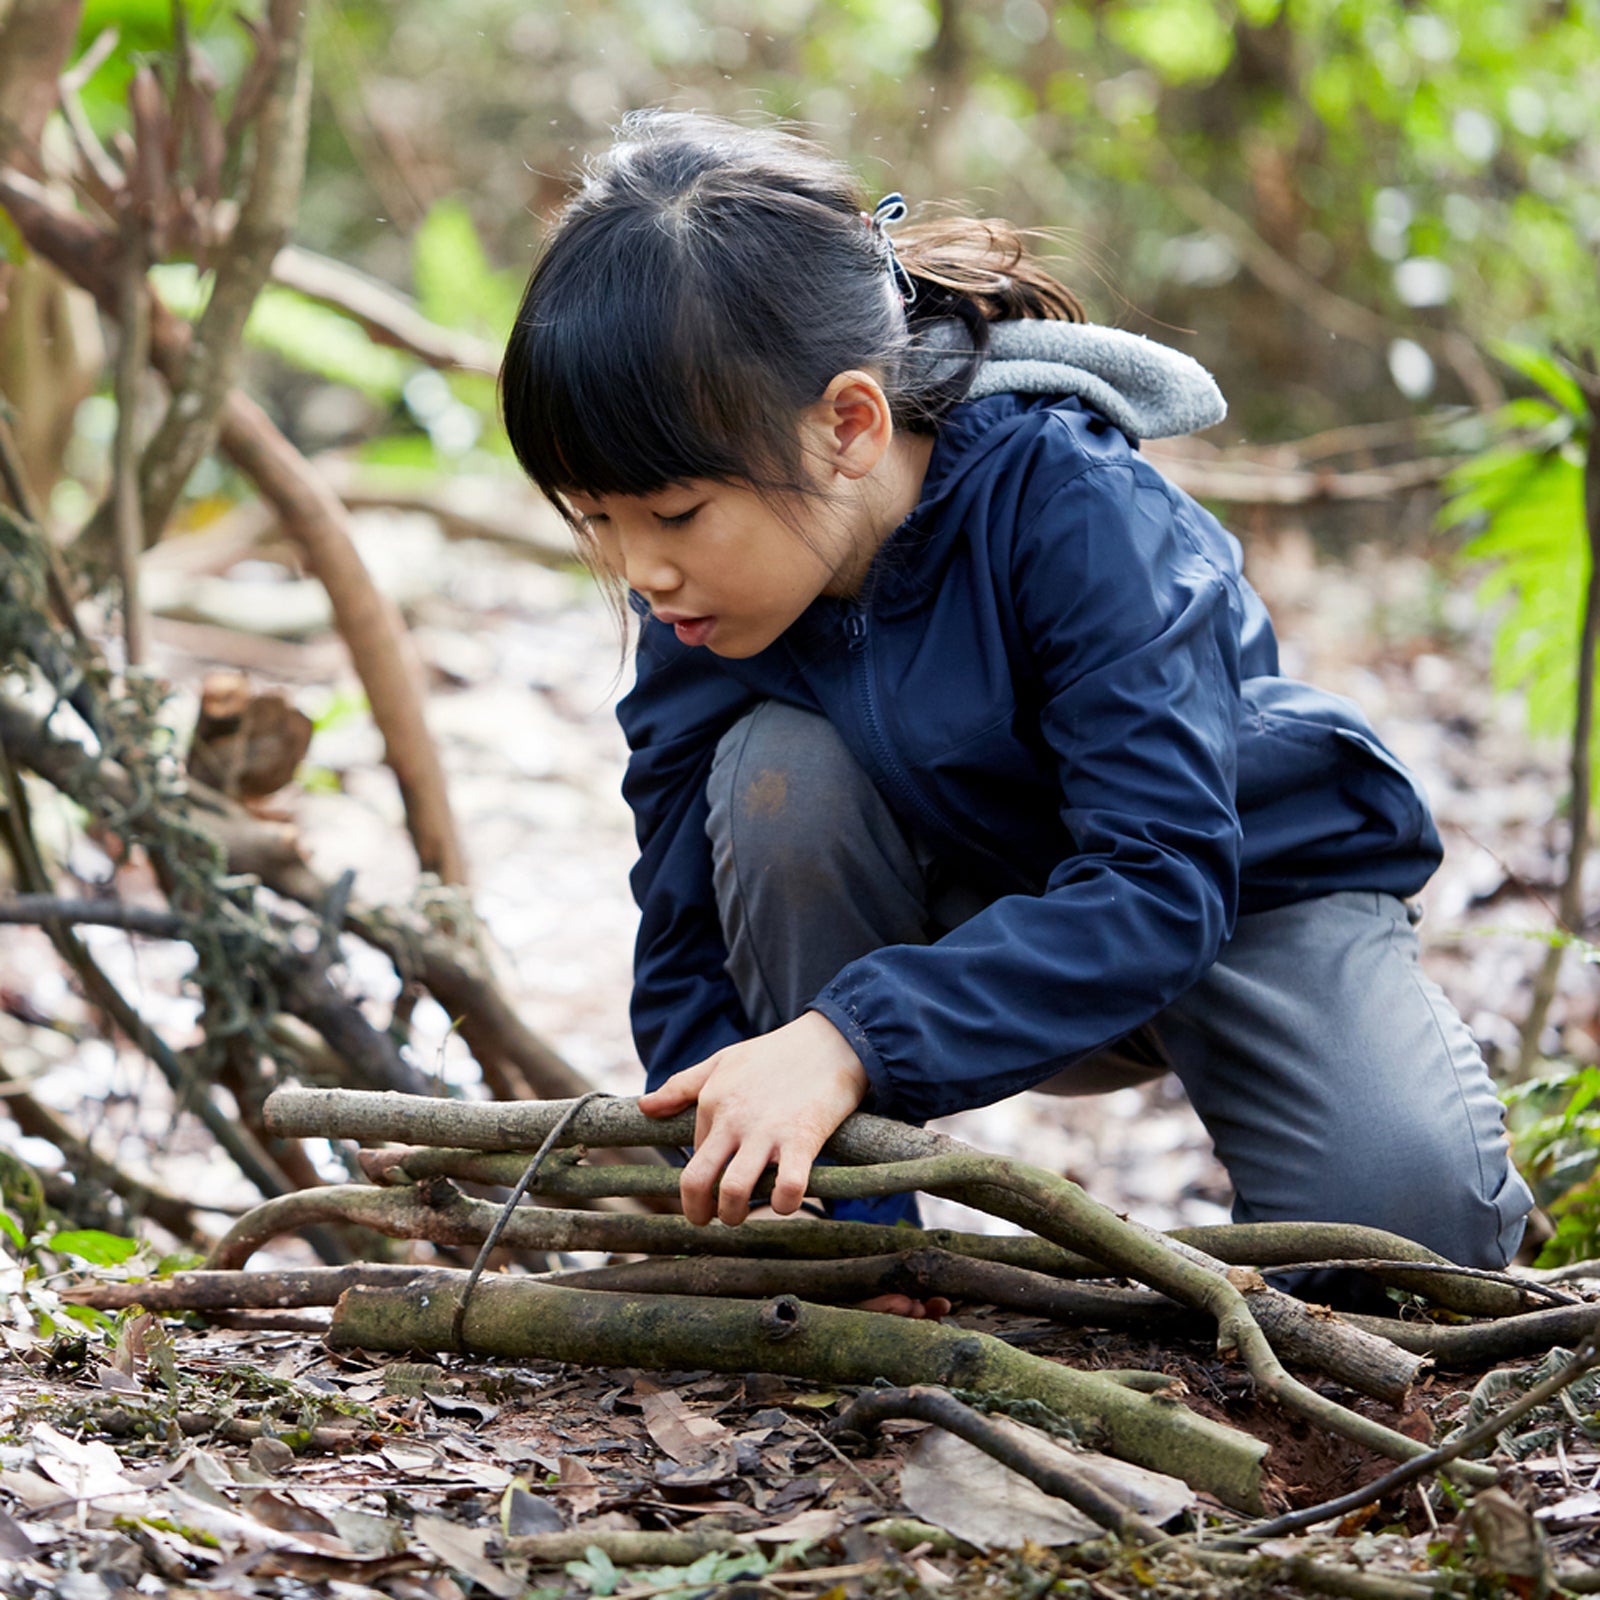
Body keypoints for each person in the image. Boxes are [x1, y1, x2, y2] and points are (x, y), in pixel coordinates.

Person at [499, 111, 1532, 1292]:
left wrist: (849, 1038)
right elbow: (686, 924)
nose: (640, 567)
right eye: (597, 519)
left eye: (672, 514)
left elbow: (1161, 879)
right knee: (775, 773)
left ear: (847, 423)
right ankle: (849, 1257)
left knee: (1398, 1236)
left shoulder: (1072, 508)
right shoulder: (713, 598)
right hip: (969, 909)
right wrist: (723, 1133)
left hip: (1227, 895)